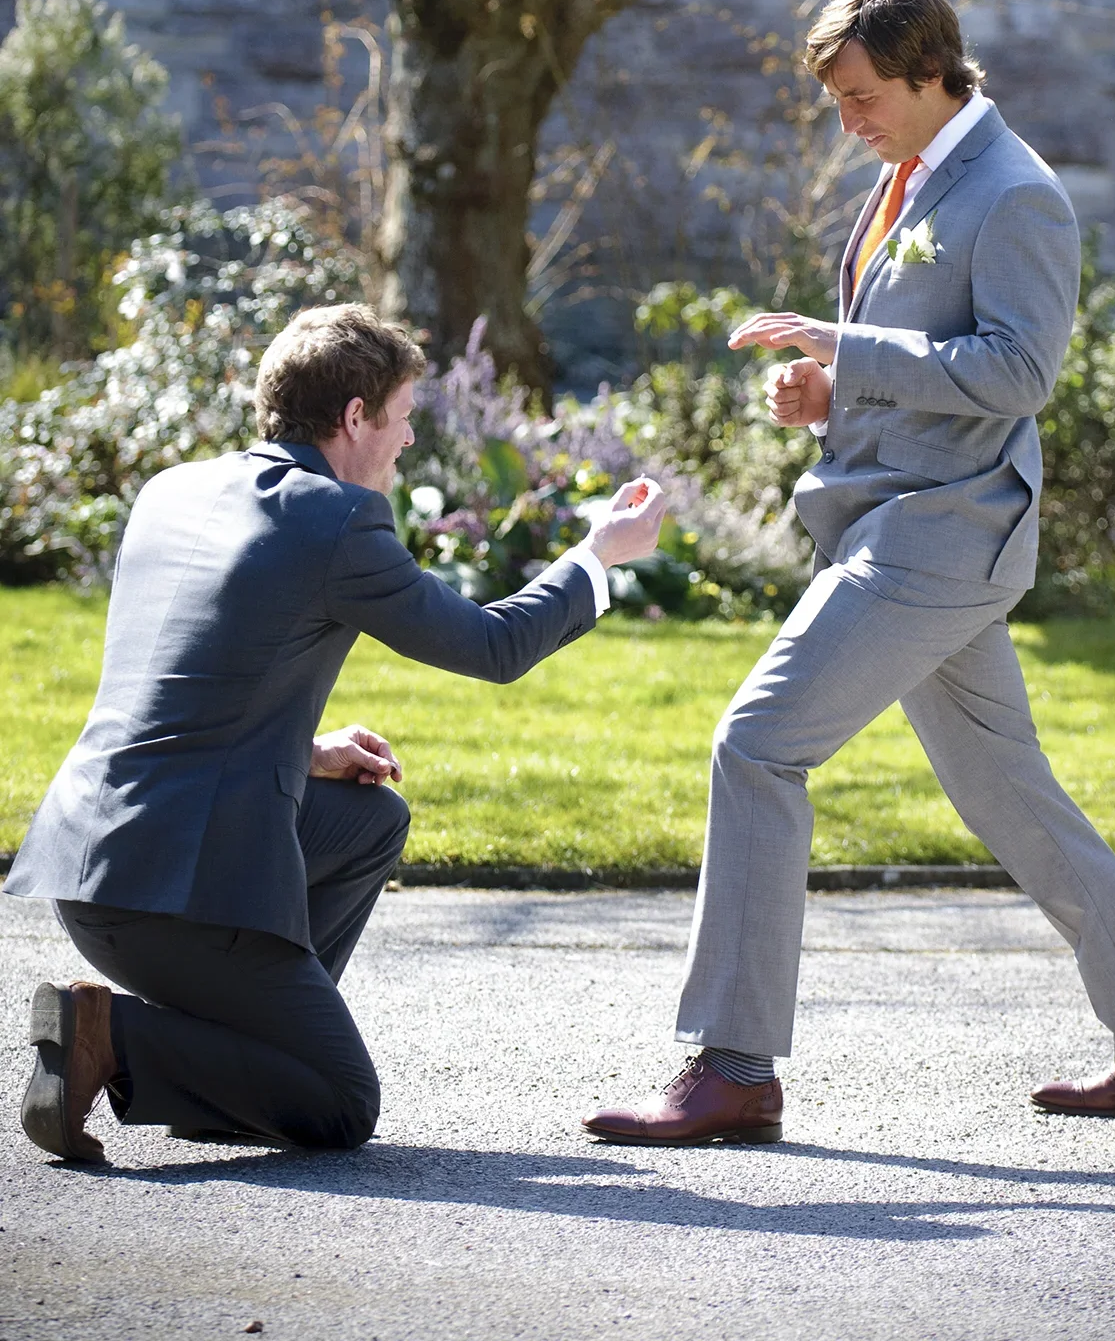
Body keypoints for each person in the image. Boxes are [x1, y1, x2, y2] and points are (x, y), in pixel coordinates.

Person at [584, 0, 1115, 1149]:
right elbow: (927, 363)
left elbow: (1016, 375)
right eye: (837, 100)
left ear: (932, 72)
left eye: (861, 94)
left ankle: (732, 1067)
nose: (848, 120)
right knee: (1014, 799)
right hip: (910, 520)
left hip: (941, 535)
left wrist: (847, 346)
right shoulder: (913, 175)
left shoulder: (1015, 194)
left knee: (757, 742)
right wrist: (830, 391)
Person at [8, 302, 665, 1163]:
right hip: (175, 890)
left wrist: (305, 751)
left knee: (368, 820)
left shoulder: (174, 490)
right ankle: (112, 1037)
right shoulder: (336, 521)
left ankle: (235, 1074)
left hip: (88, 863)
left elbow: (180, 683)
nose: (406, 444)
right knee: (341, 1103)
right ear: (355, 417)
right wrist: (595, 555)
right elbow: (494, 646)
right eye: (400, 420)